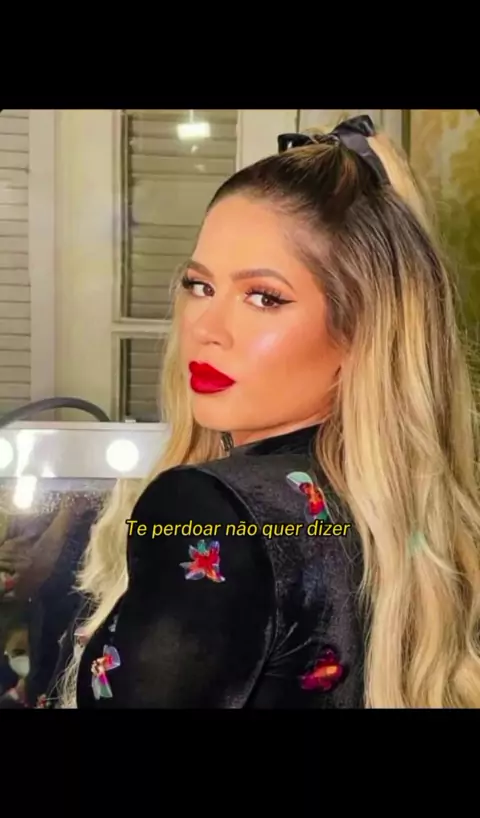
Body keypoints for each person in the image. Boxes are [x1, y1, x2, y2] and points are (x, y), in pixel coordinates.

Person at [56, 114, 480, 709]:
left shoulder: (208, 510)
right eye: (200, 286)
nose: (207, 327)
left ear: (361, 331)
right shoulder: (385, 510)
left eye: (264, 297)